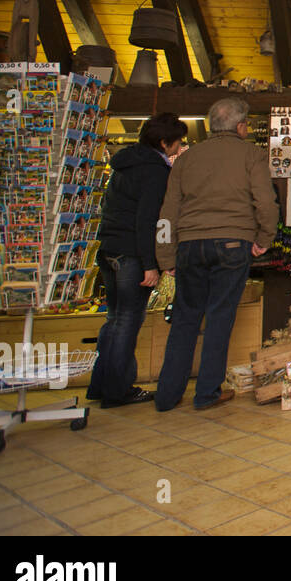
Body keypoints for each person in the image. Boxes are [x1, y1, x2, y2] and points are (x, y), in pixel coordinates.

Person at [154, 98, 278, 411]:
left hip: (190, 245)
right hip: (234, 243)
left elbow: (168, 211)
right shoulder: (252, 154)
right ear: (240, 126)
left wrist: (166, 256)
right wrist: (264, 239)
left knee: (184, 319)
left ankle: (167, 396)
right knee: (220, 318)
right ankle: (207, 392)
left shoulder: (186, 158)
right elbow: (266, 202)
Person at [88, 112, 188, 408]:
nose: (178, 148)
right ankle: (117, 390)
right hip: (133, 254)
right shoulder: (155, 172)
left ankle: (101, 385)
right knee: (129, 321)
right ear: (163, 142)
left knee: (114, 319)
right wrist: (150, 264)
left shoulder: (123, 164)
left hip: (109, 249)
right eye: (177, 142)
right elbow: (148, 220)